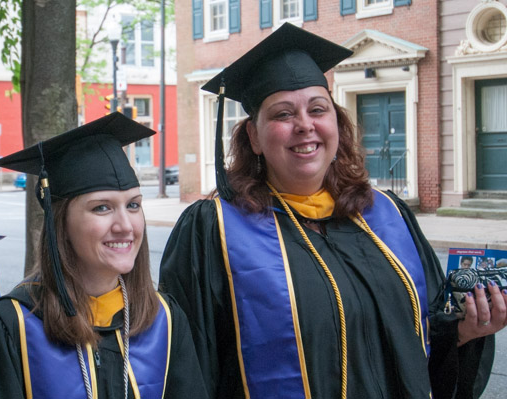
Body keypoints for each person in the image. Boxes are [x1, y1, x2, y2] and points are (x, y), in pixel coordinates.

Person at [159, 23, 507, 399]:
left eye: (318, 109)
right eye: (282, 114)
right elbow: (187, 369)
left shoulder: (386, 215)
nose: (305, 125)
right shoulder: (215, 230)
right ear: (254, 138)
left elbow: (428, 333)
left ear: (336, 125)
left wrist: (466, 331)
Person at [0, 113, 208, 399]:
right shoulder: (10, 326)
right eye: (102, 208)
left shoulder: (164, 319)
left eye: (133, 205)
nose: (125, 226)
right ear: (61, 224)